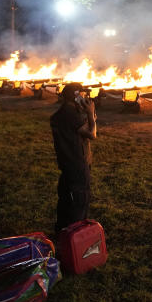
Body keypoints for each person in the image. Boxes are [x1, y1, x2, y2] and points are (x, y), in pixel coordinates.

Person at [51, 82, 97, 234]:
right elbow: (92, 134)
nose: (85, 97)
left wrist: (86, 114)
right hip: (77, 162)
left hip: (66, 162)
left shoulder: (59, 114)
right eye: (82, 94)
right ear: (76, 96)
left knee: (65, 199)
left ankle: (61, 231)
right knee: (79, 201)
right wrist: (90, 113)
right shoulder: (71, 115)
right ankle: (77, 236)